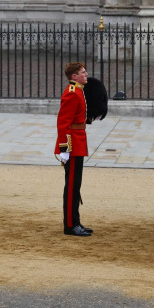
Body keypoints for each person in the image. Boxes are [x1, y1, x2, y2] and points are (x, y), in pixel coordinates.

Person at [57, 62, 92, 236]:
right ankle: (70, 225)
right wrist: (64, 148)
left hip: (78, 142)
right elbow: (63, 122)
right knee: (71, 186)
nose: (86, 74)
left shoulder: (78, 90)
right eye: (83, 72)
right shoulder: (72, 92)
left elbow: (78, 117)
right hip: (72, 145)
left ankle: (75, 221)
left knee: (75, 185)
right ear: (74, 76)